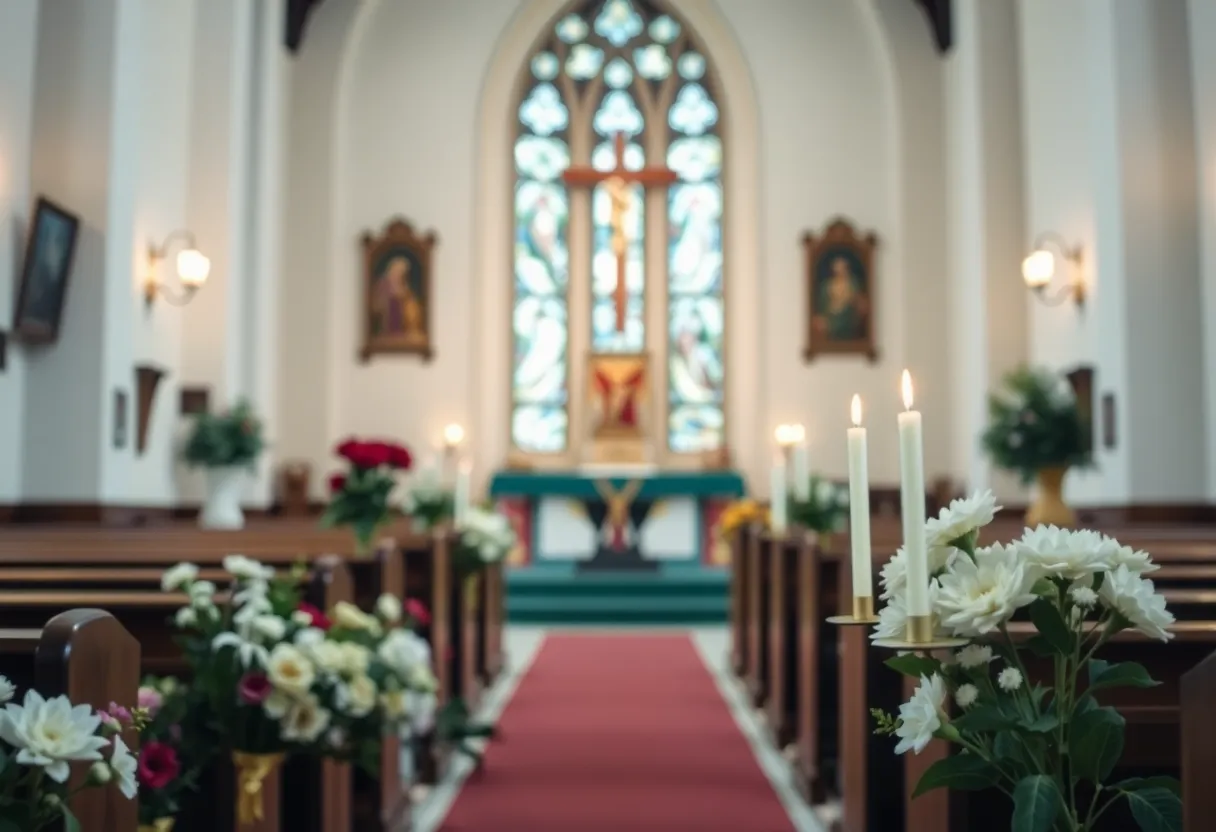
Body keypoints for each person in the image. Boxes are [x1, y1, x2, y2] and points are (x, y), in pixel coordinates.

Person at [813, 255, 869, 341]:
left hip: (848, 317)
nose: (840, 271)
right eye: (838, 268)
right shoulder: (827, 285)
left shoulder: (853, 283)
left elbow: (859, 302)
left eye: (843, 268)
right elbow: (822, 306)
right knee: (820, 325)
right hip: (830, 316)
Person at [374, 256, 424, 339]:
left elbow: (413, 313)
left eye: (401, 273)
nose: (397, 275)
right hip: (386, 331)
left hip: (403, 331)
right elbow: (376, 308)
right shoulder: (382, 286)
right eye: (396, 271)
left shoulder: (406, 290)